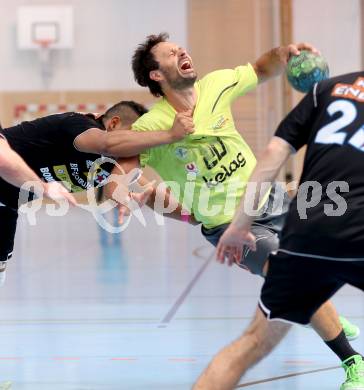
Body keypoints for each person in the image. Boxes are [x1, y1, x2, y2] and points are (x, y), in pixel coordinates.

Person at [114, 33, 358, 341]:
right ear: (156, 74)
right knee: (285, 275)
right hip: (229, 226)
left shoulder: (216, 85)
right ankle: (352, 362)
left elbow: (259, 69)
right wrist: (121, 194)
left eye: (180, 48)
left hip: (271, 200)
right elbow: (121, 169)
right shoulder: (151, 126)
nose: (181, 51)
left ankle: (322, 315)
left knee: (320, 261)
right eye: (171, 53)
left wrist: (283, 54)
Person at [194, 71, 364, 390]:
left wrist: (239, 224)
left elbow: (273, 154)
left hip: (307, 231)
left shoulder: (324, 90)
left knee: (250, 343)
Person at [0, 100, 194, 283]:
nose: (135, 147)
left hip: (6, 204)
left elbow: (149, 194)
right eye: (133, 137)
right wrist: (170, 135)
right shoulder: (78, 125)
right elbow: (105, 143)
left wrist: (196, 219)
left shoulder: (115, 161)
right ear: (113, 124)